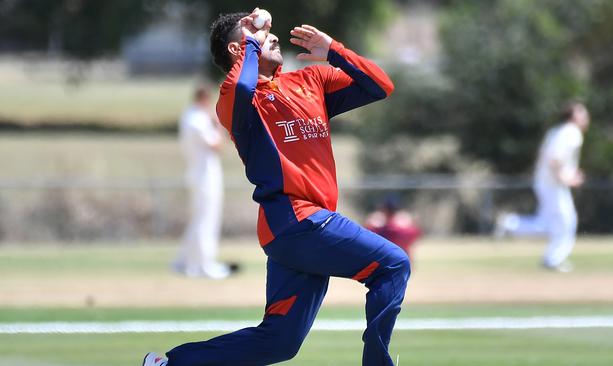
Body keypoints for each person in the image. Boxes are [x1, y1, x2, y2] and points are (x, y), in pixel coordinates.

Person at [143, 8, 409, 366]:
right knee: (393, 264)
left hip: (301, 229)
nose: (270, 33)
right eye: (254, 33)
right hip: (296, 220)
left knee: (279, 342)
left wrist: (333, 50)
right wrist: (253, 38)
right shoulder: (238, 100)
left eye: (266, 30)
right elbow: (241, 84)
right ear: (240, 51)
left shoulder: (310, 81)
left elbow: (380, 85)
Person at [495, 102, 590, 272]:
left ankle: (510, 224)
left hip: (546, 181)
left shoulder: (557, 131)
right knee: (567, 222)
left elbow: (548, 156)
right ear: (574, 116)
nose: (586, 118)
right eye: (583, 114)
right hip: (553, 184)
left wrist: (568, 174)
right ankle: (553, 259)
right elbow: (554, 159)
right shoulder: (571, 132)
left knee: (547, 224)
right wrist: (566, 178)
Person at [172, 86, 235, 280]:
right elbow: (217, 145)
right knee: (206, 220)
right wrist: (217, 123)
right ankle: (202, 264)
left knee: (200, 219)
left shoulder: (190, 116)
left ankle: (184, 261)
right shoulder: (197, 119)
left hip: (200, 175)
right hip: (203, 177)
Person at [365, 196, 422, 260]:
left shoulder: (377, 224)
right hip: (401, 259)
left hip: (385, 259)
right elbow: (416, 234)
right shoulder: (405, 225)